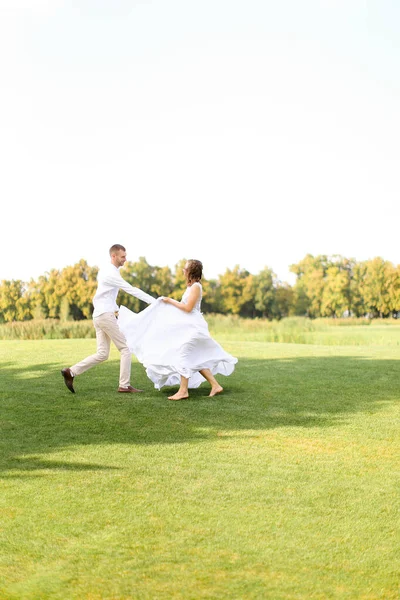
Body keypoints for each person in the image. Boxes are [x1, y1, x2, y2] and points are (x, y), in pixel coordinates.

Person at [118, 259, 237, 400]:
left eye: (185, 268)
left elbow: (188, 308)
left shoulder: (196, 287)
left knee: (182, 355)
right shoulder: (191, 287)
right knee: (194, 357)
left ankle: (183, 391)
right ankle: (215, 386)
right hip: (188, 326)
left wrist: (169, 301)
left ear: (190, 271)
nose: (182, 270)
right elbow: (184, 307)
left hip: (194, 327)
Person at [61, 244, 157, 394]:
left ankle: (71, 372)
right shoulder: (111, 274)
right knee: (125, 348)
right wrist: (155, 302)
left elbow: (107, 296)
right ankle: (124, 385)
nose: (125, 259)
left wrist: (116, 310)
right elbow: (130, 289)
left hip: (99, 315)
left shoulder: (107, 271)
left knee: (102, 354)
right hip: (105, 315)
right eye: (123, 256)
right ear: (114, 256)